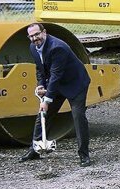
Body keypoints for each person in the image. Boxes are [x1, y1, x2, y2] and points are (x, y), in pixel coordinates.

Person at [19, 23, 92, 167]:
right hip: (57, 85)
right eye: (31, 36)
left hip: (75, 84)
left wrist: (46, 100)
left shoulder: (58, 47)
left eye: (37, 34)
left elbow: (56, 75)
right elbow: (40, 69)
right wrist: (40, 84)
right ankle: (34, 150)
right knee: (43, 116)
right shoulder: (33, 47)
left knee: (78, 117)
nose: (34, 38)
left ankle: (84, 155)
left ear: (44, 32)